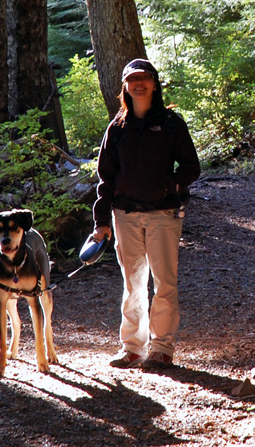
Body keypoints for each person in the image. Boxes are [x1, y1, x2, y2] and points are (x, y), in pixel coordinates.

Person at [92, 58, 201, 370]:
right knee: (133, 283)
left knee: (164, 282)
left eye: (144, 78)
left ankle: (162, 349)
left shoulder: (171, 124)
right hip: (124, 215)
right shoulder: (117, 128)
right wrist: (101, 221)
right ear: (125, 87)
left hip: (163, 214)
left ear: (154, 83)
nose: (138, 84)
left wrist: (169, 186)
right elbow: (106, 178)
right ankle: (132, 348)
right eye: (132, 80)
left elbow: (191, 168)